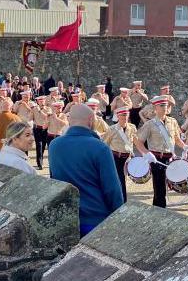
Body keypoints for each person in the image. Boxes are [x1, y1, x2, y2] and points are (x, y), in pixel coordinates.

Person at [49, 104, 125, 236]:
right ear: (91, 120)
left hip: (67, 218)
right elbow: (112, 189)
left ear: (69, 120)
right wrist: (118, 217)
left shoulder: (54, 145)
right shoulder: (100, 148)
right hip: (95, 219)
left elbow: (54, 180)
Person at [134, 96, 186, 208]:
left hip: (170, 158)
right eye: (161, 105)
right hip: (156, 158)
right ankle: (162, 210)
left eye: (166, 105)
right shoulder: (150, 124)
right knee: (160, 187)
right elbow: (139, 142)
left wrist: (185, 146)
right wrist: (146, 153)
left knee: (164, 188)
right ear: (155, 108)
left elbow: (176, 139)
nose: (164, 108)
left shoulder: (172, 122)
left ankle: (156, 209)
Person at [100, 106, 137, 202]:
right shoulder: (112, 129)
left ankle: (120, 199)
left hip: (127, 158)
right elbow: (105, 144)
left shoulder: (132, 127)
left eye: (126, 115)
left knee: (124, 179)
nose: (124, 118)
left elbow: (135, 141)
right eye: (122, 116)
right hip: (115, 157)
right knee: (120, 180)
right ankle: (122, 201)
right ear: (118, 116)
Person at [32, 95, 51, 170]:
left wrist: (40, 111)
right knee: (38, 145)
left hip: (45, 129)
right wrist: (31, 110)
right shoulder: (34, 109)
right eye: (40, 101)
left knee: (43, 146)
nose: (41, 102)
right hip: (37, 129)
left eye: (43, 100)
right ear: (37, 102)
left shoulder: (48, 109)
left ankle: (41, 159)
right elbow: (30, 118)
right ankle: (39, 163)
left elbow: (46, 117)